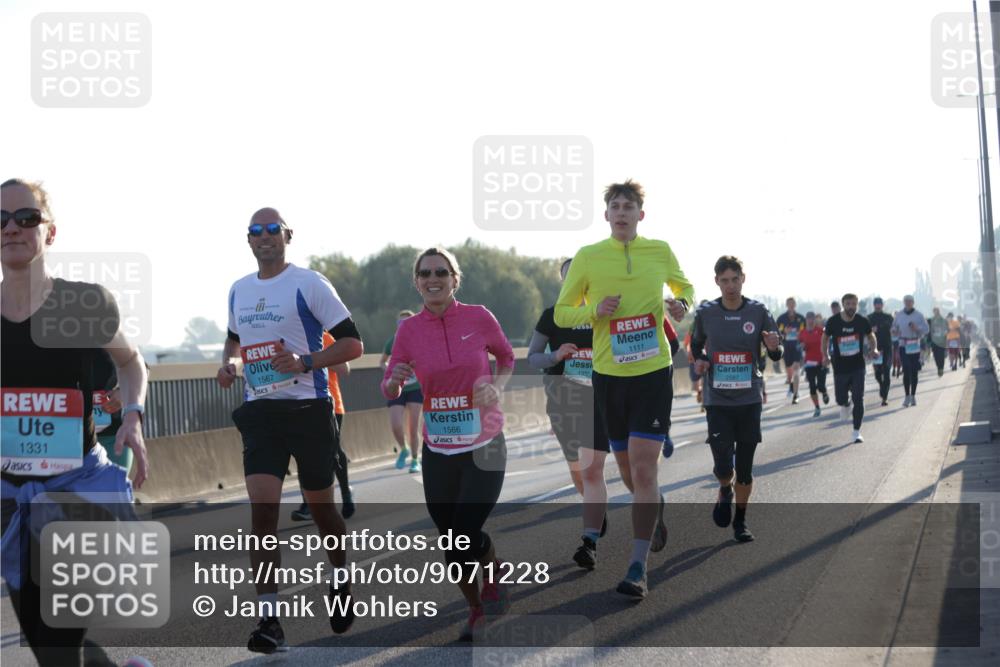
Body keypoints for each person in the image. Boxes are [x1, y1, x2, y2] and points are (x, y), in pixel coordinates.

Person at [2, 178, 150, 666]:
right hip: (10, 499)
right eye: (0, 220)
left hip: (78, 489)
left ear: (50, 231)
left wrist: (132, 417)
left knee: (60, 645)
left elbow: (130, 363)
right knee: (51, 653)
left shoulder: (84, 303)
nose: (11, 228)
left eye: (26, 218)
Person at [218, 207, 363, 652]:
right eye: (255, 231)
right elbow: (234, 338)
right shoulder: (239, 290)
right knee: (262, 515)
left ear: (287, 236)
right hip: (261, 414)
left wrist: (304, 362)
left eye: (272, 230)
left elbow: (353, 344)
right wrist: (228, 363)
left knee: (322, 512)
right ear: (248, 240)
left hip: (308, 411)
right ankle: (269, 621)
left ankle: (340, 583)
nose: (264, 237)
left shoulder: (309, 283)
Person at [556, 179, 694, 599]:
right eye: (614, 206)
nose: (621, 212)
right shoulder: (589, 257)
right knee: (628, 474)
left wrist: (680, 305)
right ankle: (653, 505)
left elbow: (684, 289)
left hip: (653, 371)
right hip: (609, 377)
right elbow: (563, 313)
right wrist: (592, 310)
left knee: (644, 466)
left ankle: (637, 566)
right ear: (606, 215)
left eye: (628, 206)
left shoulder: (659, 250)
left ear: (640, 215)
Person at [381, 247, 515, 640]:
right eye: (425, 273)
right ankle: (476, 607)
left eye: (441, 272)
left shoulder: (478, 317)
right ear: (417, 281)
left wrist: (497, 386)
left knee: (466, 530)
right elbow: (390, 381)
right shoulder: (408, 331)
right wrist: (394, 381)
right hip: (438, 448)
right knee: (452, 544)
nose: (432, 278)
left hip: (484, 442)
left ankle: (491, 575)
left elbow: (506, 358)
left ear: (455, 279)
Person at [690, 256, 781, 543]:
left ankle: (740, 521)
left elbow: (775, 352)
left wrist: (774, 348)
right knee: (722, 465)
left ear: (744, 279)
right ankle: (724, 488)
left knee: (744, 467)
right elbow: (695, 347)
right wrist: (702, 362)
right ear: (717, 281)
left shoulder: (758, 311)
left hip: (749, 399)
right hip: (717, 399)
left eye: (735, 279)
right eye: (724, 280)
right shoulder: (706, 312)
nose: (730, 286)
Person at [292, 331, 354, 521]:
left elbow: (344, 369)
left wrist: (312, 359)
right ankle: (308, 504)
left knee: (333, 451)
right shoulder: (287, 338)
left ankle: (345, 494)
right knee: (303, 453)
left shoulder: (323, 336)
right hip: (298, 403)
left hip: (329, 402)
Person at [822, 293, 879, 444]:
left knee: (858, 398)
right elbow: (825, 338)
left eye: (854, 304)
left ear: (857, 305)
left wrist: (874, 349)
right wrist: (825, 355)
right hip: (840, 366)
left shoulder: (862, 320)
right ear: (843, 304)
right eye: (848, 304)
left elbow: (871, 335)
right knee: (841, 399)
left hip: (858, 365)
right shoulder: (833, 321)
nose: (851, 307)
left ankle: (856, 432)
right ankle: (845, 404)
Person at [380, 310, 423, 473]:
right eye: (400, 323)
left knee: (413, 427)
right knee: (396, 424)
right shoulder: (393, 342)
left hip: (415, 388)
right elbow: (382, 361)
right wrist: (389, 372)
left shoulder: (420, 340)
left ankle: (414, 459)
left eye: (407, 322)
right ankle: (403, 448)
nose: (403, 325)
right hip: (396, 387)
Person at [892, 295, 929, 407]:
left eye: (910, 301)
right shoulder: (899, 315)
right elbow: (893, 327)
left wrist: (917, 328)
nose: (908, 303)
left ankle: (913, 396)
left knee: (914, 371)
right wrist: (894, 331)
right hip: (903, 344)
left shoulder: (919, 315)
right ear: (903, 302)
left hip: (914, 345)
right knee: (906, 368)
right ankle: (907, 396)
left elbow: (927, 329)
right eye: (906, 301)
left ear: (913, 302)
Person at [798, 312, 828, 416]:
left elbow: (827, 342)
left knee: (820, 385)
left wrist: (826, 356)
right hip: (809, 363)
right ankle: (817, 407)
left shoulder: (820, 331)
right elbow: (800, 346)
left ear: (815, 320)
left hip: (821, 362)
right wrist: (802, 346)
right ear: (806, 320)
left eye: (812, 319)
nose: (810, 321)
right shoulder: (802, 333)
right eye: (808, 319)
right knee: (812, 386)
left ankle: (824, 392)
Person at [867, 297, 895, 407]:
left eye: (880, 304)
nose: (878, 306)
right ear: (874, 305)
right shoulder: (869, 318)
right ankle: (881, 385)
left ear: (882, 305)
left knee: (887, 371)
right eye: (876, 304)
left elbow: (894, 328)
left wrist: (892, 330)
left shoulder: (888, 317)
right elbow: (865, 333)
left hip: (887, 348)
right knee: (878, 374)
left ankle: (885, 397)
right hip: (875, 348)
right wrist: (870, 331)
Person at [776, 297, 805, 404]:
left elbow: (805, 332)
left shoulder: (801, 318)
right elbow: (777, 333)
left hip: (797, 347)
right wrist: (784, 333)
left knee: (796, 368)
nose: (791, 305)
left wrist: (801, 337)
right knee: (789, 371)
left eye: (793, 303)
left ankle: (796, 394)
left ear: (795, 305)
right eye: (789, 304)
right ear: (787, 305)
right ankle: (791, 386)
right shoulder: (781, 318)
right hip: (786, 346)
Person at [929, 307, 948, 377]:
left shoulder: (942, 320)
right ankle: (938, 367)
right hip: (934, 341)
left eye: (936, 311)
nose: (935, 313)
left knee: (941, 356)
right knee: (936, 356)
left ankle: (941, 368)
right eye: (934, 311)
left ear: (939, 312)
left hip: (941, 341)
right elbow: (930, 330)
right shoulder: (932, 320)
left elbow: (946, 329)